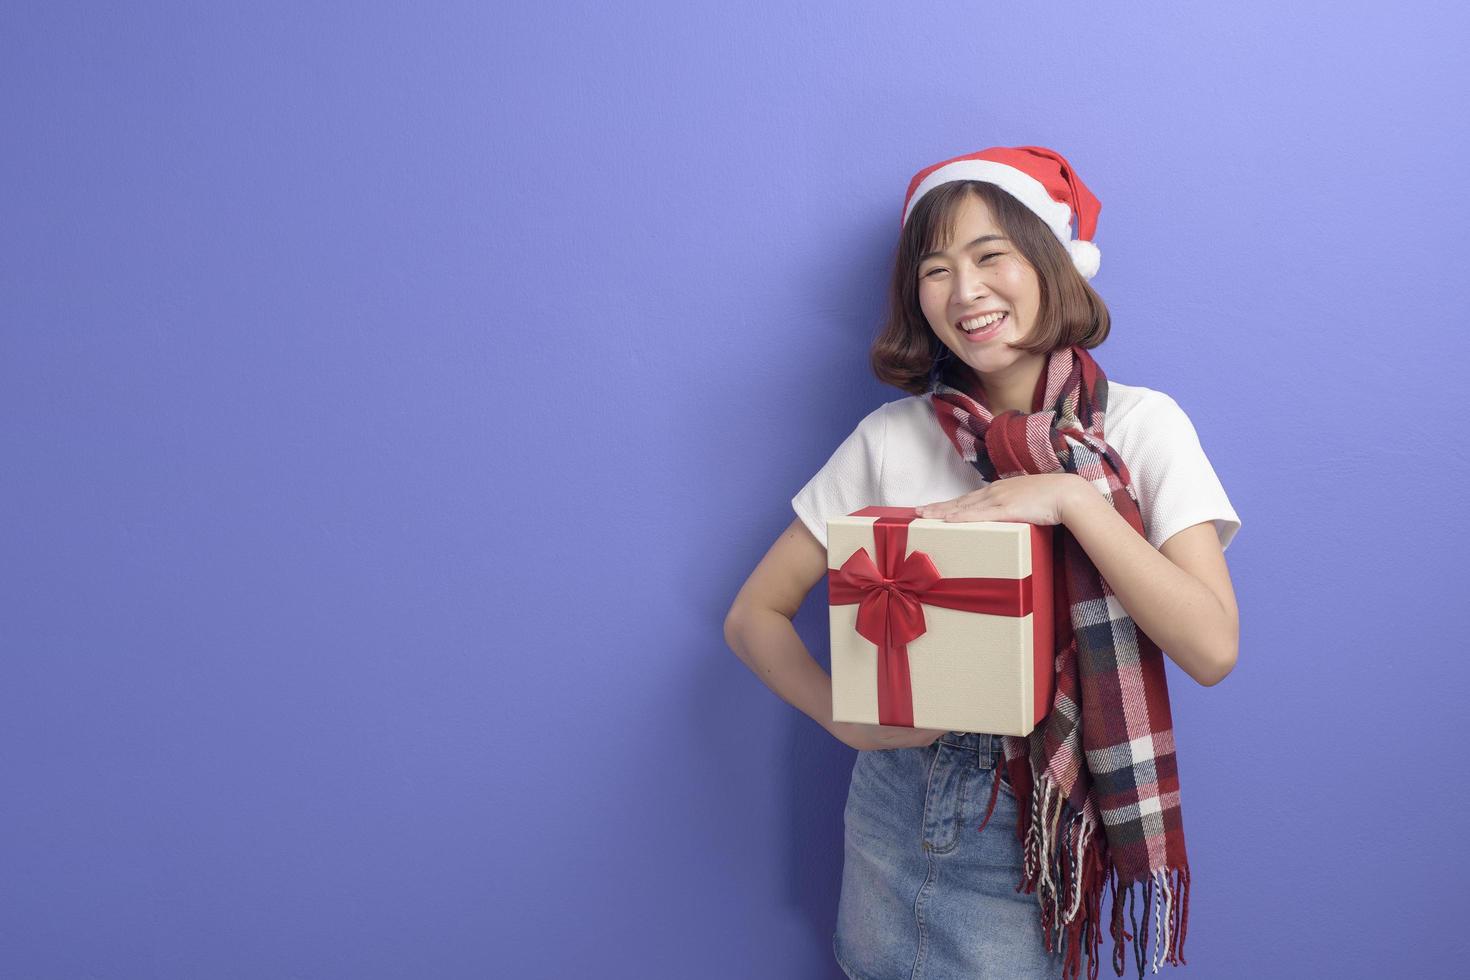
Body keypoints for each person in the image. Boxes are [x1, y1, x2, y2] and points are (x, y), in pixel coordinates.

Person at [722, 146, 1242, 980]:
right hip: (893, 807)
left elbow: (1212, 647)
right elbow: (753, 616)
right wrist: (843, 720)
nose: (964, 292)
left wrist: (1070, 501)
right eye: (935, 269)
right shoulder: (891, 438)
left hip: (1034, 817)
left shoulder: (1141, 427)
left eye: (990, 255)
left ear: (1051, 262)